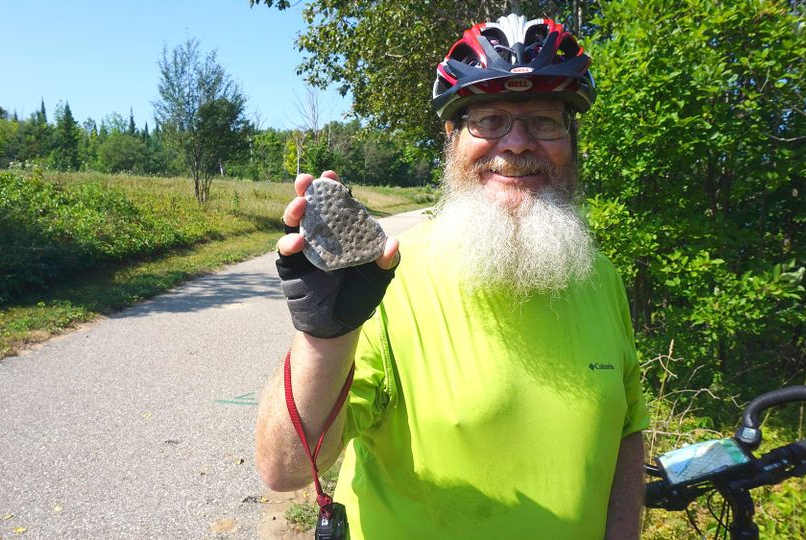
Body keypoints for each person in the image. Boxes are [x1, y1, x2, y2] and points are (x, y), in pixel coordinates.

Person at [256, 13, 649, 539]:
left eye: (545, 121)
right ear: (452, 138)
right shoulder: (388, 278)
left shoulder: (598, 276)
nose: (516, 143)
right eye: (489, 120)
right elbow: (285, 469)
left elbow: (625, 431)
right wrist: (323, 338)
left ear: (571, 140)